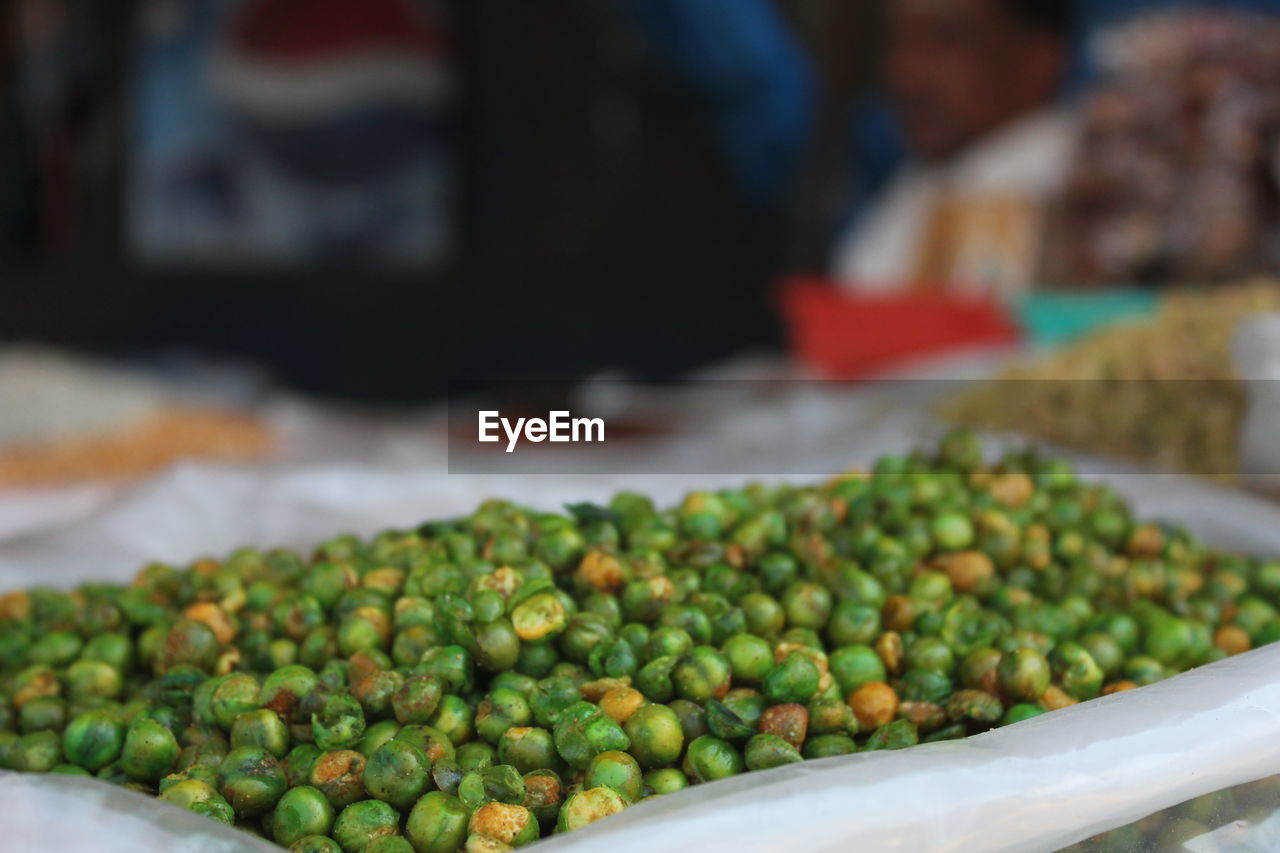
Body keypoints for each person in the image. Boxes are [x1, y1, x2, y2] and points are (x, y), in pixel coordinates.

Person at [831, 0, 1074, 294]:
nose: (906, 73)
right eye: (899, 42)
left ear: (1041, 55)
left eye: (946, 39)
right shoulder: (923, 176)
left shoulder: (1077, 186)